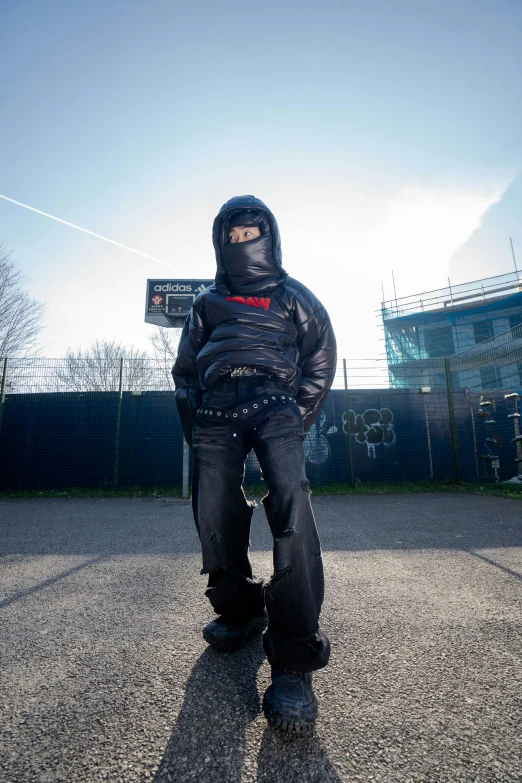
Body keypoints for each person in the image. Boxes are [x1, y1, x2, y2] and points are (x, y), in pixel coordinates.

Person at [172, 194, 337, 732]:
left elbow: (320, 354)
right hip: (216, 407)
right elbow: (186, 370)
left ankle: (293, 657)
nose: (243, 244)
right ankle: (239, 609)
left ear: (269, 237)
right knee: (213, 506)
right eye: (234, 236)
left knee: (291, 499)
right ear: (221, 242)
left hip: (275, 402)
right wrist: (195, 423)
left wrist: (297, 412)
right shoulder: (204, 303)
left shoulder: (294, 296)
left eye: (252, 234)